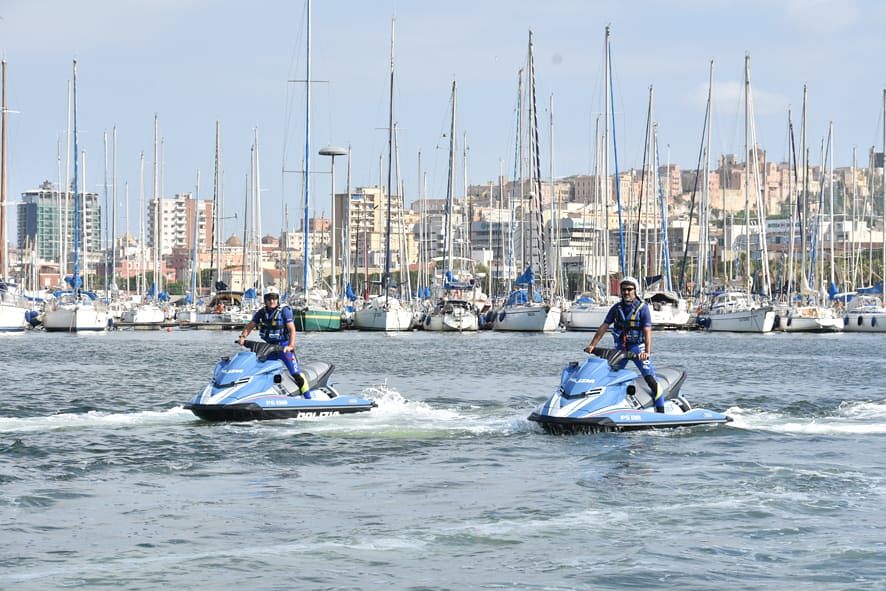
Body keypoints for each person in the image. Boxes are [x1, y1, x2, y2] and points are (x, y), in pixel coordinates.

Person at [583, 276, 664, 412]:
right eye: (623, 290)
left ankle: (661, 412)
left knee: (651, 380)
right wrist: (592, 345)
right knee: (606, 377)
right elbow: (604, 326)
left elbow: (647, 331)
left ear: (635, 291)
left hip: (638, 349)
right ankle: (601, 408)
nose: (626, 292)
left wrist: (647, 352)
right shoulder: (616, 308)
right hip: (620, 349)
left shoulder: (643, 309)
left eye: (629, 289)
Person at [238, 290, 309, 396]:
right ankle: (259, 395)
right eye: (269, 298)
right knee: (260, 371)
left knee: (295, 373)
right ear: (265, 300)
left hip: (283, 347)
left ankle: (308, 397)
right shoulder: (261, 312)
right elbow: (251, 325)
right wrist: (242, 337)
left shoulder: (284, 311)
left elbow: (292, 329)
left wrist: (291, 346)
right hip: (269, 348)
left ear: (277, 299)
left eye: (274, 298)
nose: (272, 301)